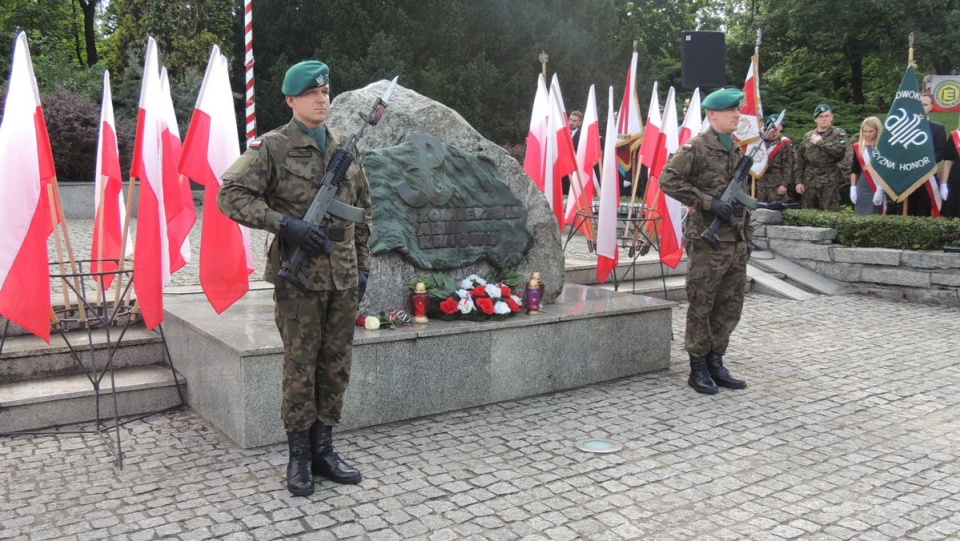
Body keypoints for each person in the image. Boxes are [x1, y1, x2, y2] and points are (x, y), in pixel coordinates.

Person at [218, 60, 372, 496]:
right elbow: (229, 195)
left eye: (325, 92)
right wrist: (284, 224)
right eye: (311, 94)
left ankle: (325, 449)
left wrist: (362, 265)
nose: (322, 99)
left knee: (336, 365)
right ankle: (299, 457)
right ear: (291, 100)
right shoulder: (272, 147)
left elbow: (364, 210)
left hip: (342, 274)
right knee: (301, 368)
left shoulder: (346, 145)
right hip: (299, 276)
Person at [659, 87, 751, 395]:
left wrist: (745, 236)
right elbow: (668, 180)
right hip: (707, 241)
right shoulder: (695, 148)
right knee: (702, 303)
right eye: (731, 111)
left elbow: (740, 198)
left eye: (738, 110)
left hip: (734, 241)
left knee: (730, 305)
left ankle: (716, 361)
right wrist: (708, 202)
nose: (738, 114)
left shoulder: (736, 150)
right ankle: (697, 367)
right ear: (712, 114)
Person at [796, 104, 847, 211]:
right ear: (815, 119)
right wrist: (799, 181)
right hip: (810, 178)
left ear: (832, 117)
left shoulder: (838, 133)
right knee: (808, 211)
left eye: (827, 116)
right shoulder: (808, 136)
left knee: (830, 211)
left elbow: (840, 152)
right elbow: (800, 159)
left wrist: (820, 142)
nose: (824, 119)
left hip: (829, 178)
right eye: (821, 116)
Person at [905, 94, 949, 216]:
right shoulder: (906, 128)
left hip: (927, 174)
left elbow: (941, 151)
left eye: (925, 104)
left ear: (931, 107)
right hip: (909, 174)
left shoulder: (938, 128)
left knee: (924, 209)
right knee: (909, 209)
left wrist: (924, 163)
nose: (921, 107)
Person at [849, 117, 886, 215]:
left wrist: (880, 189)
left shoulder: (883, 147)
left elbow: (886, 170)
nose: (867, 134)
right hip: (862, 186)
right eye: (864, 131)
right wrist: (853, 188)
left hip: (878, 186)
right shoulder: (859, 147)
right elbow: (854, 169)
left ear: (877, 131)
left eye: (871, 131)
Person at [755, 113, 795, 204]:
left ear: (781, 127)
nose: (775, 131)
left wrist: (784, 185)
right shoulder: (761, 142)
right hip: (762, 183)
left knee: (777, 211)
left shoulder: (785, 143)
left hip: (777, 184)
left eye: (778, 128)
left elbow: (789, 166)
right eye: (773, 128)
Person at [561, 111, 583, 196]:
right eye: (570, 120)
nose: (571, 122)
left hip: (574, 171)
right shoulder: (562, 133)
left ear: (579, 123)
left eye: (574, 121)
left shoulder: (582, 136)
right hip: (562, 170)